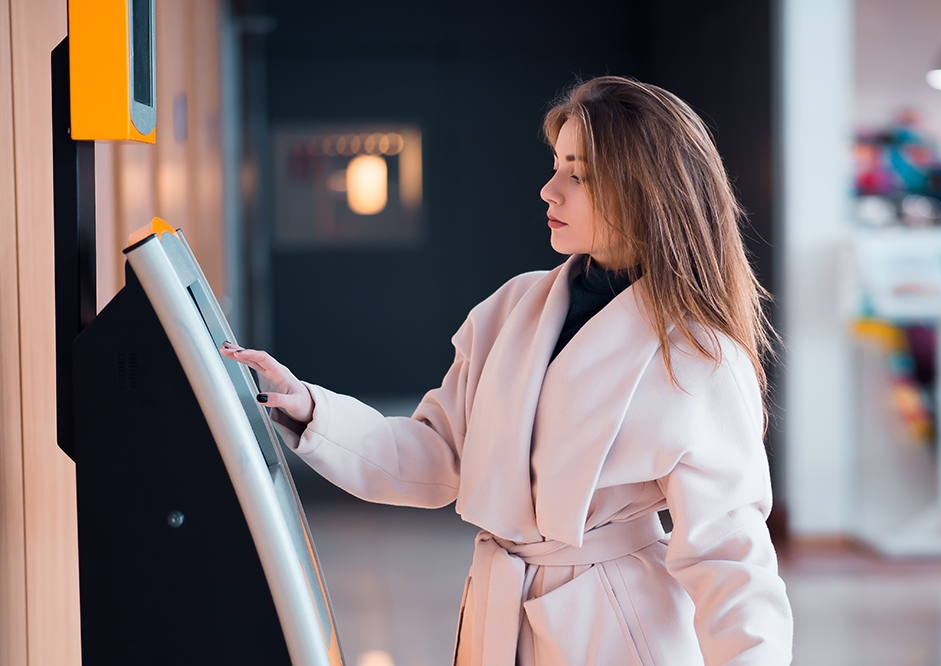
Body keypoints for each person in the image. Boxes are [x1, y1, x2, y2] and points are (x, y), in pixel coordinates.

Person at [221, 76, 794, 666]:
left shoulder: (699, 356)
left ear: (647, 189)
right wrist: (314, 411)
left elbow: (729, 554)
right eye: (554, 166)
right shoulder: (512, 308)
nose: (549, 190)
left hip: (620, 629)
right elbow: (438, 456)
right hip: (499, 613)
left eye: (580, 173)